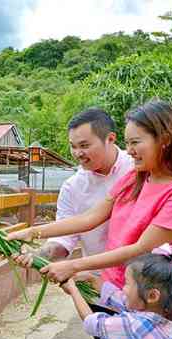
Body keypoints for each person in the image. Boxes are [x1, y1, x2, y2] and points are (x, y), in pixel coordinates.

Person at [8, 100, 172, 339]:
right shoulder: (137, 176)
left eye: (135, 142)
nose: (130, 151)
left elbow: (140, 247)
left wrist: (73, 267)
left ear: (166, 138)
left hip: (162, 307)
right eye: (128, 143)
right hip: (121, 295)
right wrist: (33, 232)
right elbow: (90, 218)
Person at [24, 108, 133, 263]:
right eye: (73, 146)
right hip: (96, 276)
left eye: (84, 145)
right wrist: (37, 255)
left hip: (143, 276)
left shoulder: (136, 169)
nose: (77, 153)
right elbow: (63, 239)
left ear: (110, 138)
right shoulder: (72, 187)